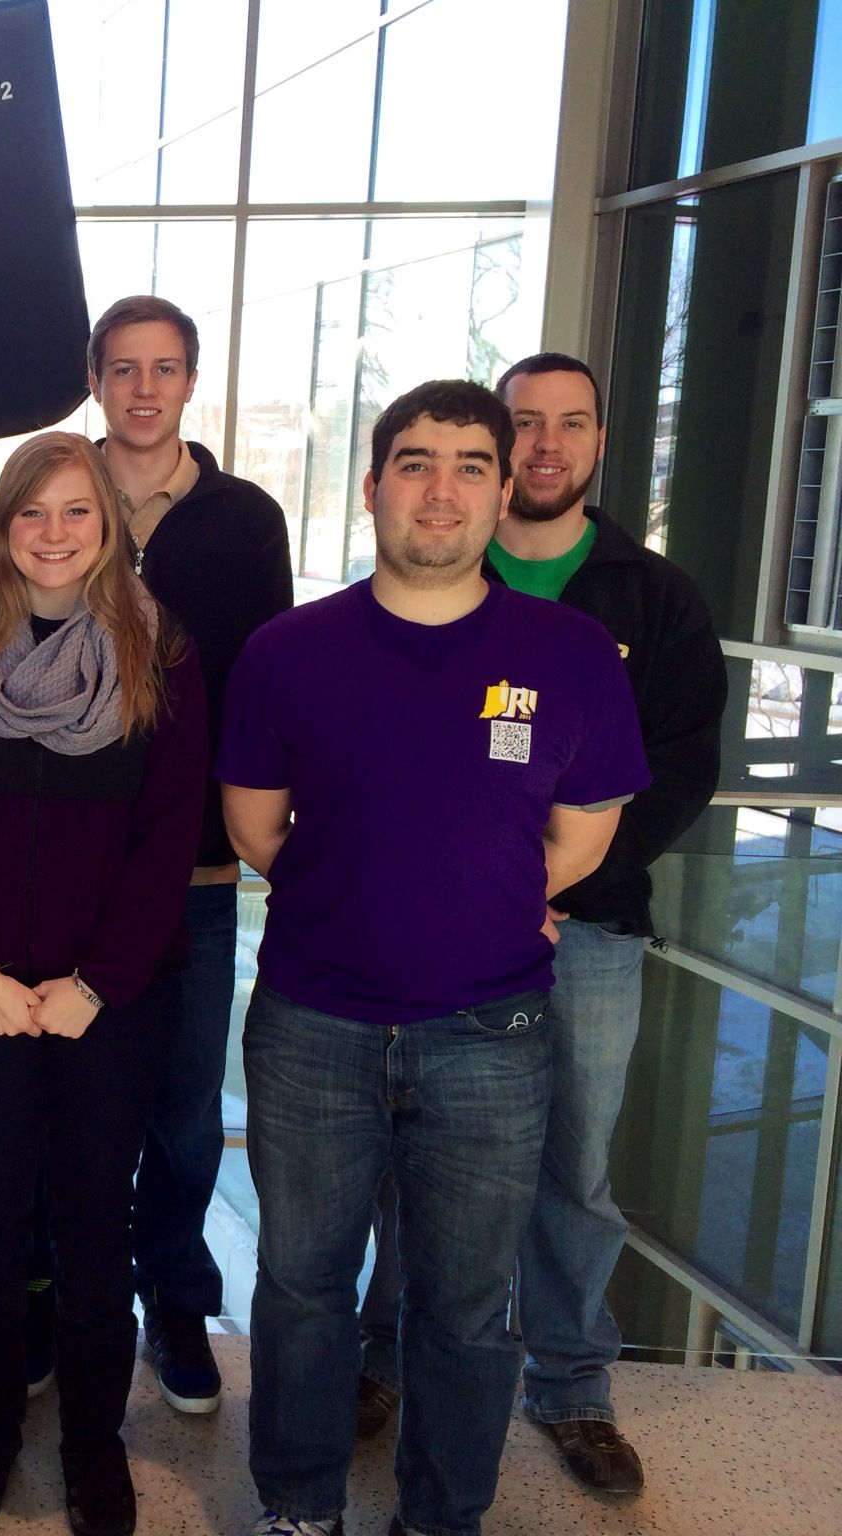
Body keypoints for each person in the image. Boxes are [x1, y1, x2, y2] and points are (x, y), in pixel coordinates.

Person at [222, 380, 649, 1536]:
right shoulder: (287, 651)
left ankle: (440, 1518)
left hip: (489, 1031)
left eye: (470, 465)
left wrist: (481, 899)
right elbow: (253, 827)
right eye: (414, 463)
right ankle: (298, 1508)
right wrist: (368, 893)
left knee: (464, 1306)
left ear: (502, 493)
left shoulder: (569, 653)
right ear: (371, 488)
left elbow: (581, 836)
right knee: (302, 1288)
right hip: (312, 1025)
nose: (440, 489)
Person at [353, 355, 726, 1490]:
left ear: (600, 442)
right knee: (414, 1155)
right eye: (527, 423)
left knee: (572, 1164)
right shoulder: (424, 578)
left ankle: (570, 1388)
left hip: (590, 935)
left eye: (572, 423)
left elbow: (678, 770)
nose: (548, 443)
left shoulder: (650, 597)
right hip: (437, 938)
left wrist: (548, 887)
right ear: (499, 449)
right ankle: (385, 1359)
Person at [0, 432, 205, 1536]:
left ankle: (91, 1444)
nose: (54, 532)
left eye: (77, 511)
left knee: (93, 1220)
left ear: (108, 526)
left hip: (110, 1000)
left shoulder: (161, 654)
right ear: (2, 527)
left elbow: (170, 840)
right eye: (32, 512)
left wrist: (96, 982)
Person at [90, 294, 292, 1414]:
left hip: (198, 873)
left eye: (162, 368)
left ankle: (173, 1293)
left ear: (189, 382)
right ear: (96, 381)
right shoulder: (50, 496)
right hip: (66, 863)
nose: (143, 388)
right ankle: (56, 1289)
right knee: (66, 1099)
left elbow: (264, 690)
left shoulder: (243, 519)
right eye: (123, 368)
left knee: (179, 1105)